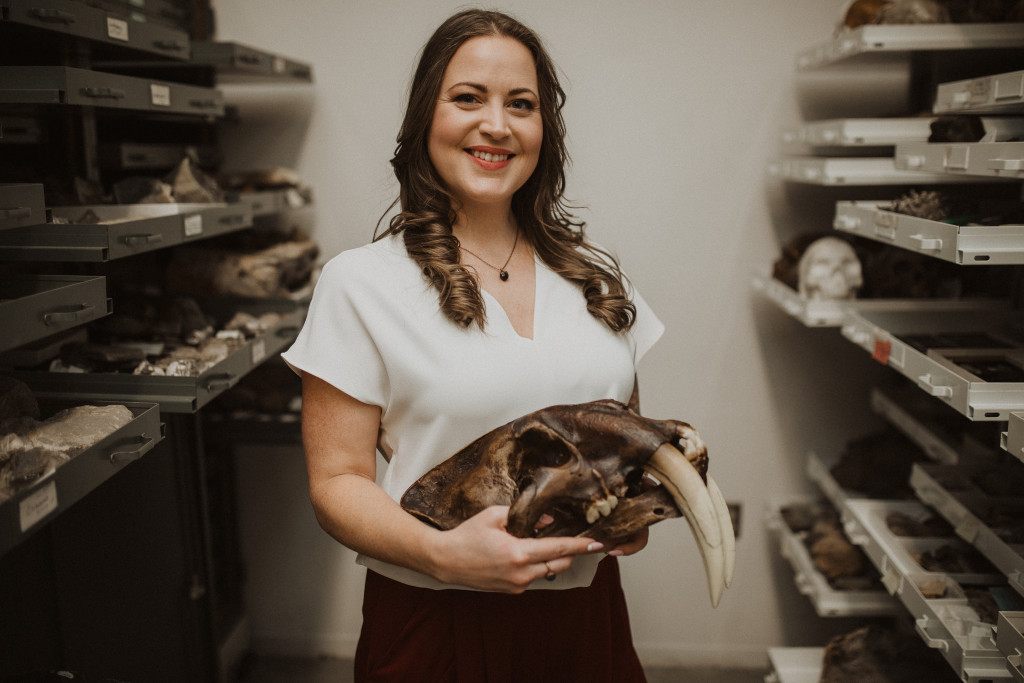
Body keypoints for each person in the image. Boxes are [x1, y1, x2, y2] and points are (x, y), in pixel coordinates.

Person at [281, 8, 664, 682]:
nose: (497, 124)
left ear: (544, 128)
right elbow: (336, 482)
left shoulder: (598, 277)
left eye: (522, 104)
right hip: (436, 620)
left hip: (586, 617)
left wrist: (631, 508)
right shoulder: (360, 283)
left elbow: (622, 445)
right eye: (467, 99)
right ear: (425, 116)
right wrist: (442, 554)